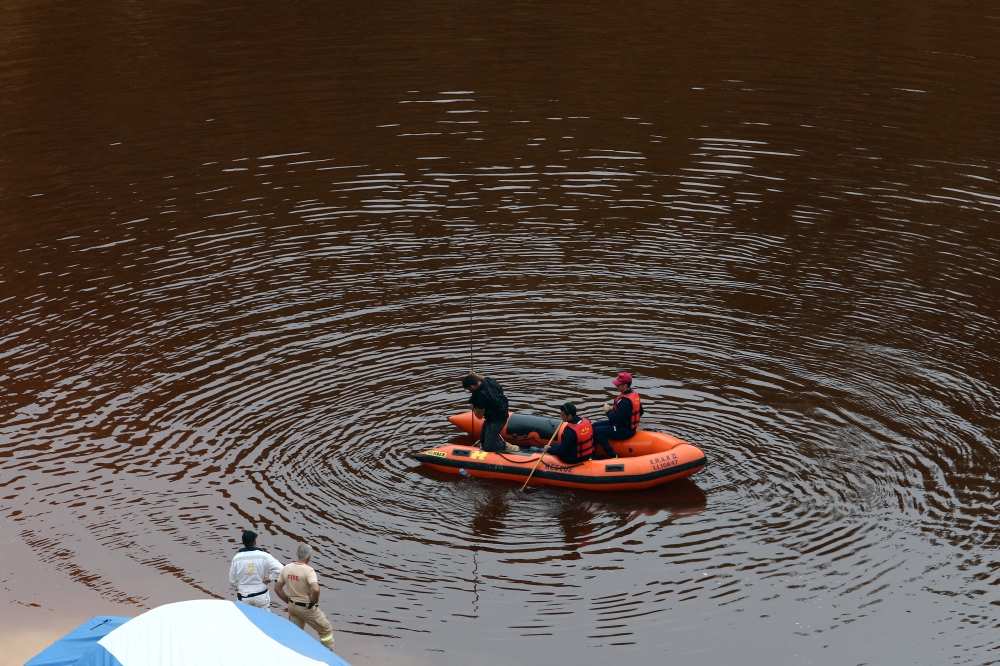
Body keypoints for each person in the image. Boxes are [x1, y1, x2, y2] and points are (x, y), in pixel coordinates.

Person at [275, 543, 336, 652]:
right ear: (309, 556)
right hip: (306, 608)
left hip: (292, 607)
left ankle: (293, 653)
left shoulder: (287, 567)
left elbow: (277, 588)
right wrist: (314, 600)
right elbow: (316, 589)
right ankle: (327, 655)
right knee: (326, 630)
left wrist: (289, 601)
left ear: (297, 554)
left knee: (295, 634)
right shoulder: (309, 570)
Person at [591, 372, 643, 458]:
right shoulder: (634, 395)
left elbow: (614, 420)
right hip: (626, 427)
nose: (616, 386)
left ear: (625, 385)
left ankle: (612, 455)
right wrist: (627, 418)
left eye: (618, 384)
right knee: (594, 426)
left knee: (597, 431)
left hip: (624, 431)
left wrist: (607, 411)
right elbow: (641, 411)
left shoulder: (624, 401)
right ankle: (592, 452)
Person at [462, 373, 519, 452]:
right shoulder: (490, 381)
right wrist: (476, 375)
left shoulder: (480, 397)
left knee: (489, 446)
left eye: (469, 389)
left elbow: (479, 416)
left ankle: (510, 447)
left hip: (497, 420)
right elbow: (485, 377)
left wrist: (473, 407)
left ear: (472, 387)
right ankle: (494, 444)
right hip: (498, 413)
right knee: (483, 439)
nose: (469, 391)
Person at [229, 530, 284, 611]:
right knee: (264, 618)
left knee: (245, 617)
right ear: (255, 542)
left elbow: (232, 580)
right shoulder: (265, 556)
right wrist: (270, 578)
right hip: (261, 595)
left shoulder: (237, 558)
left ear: (243, 543)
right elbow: (282, 570)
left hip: (244, 596)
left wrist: (239, 587)